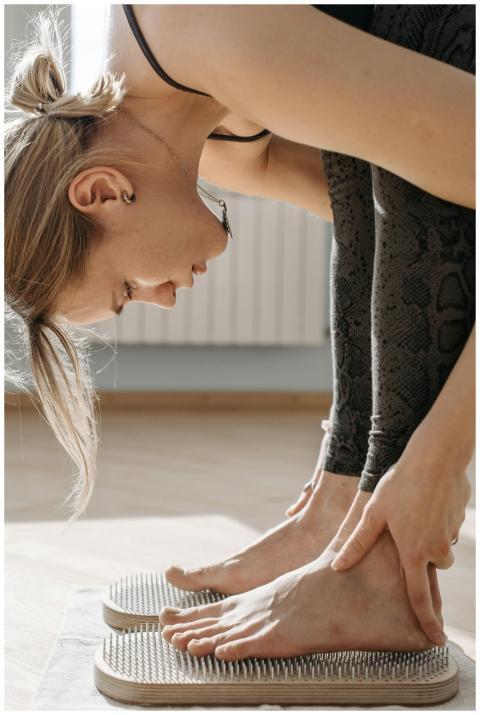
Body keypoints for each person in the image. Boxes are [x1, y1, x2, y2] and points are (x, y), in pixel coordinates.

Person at [5, 5, 474, 660]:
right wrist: (348, 469)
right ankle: (344, 519)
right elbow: (389, 221)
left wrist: (439, 457)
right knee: (384, 169)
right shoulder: (208, 131)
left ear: (104, 191)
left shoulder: (198, 27)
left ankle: (380, 565)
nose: (163, 299)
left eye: (127, 290)